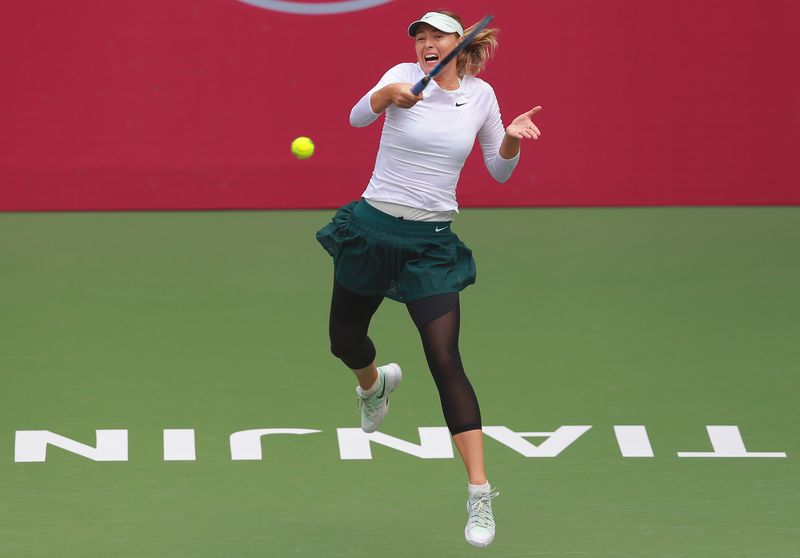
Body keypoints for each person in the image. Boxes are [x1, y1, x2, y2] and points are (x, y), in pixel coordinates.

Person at [316, 10, 541, 548]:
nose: (425, 43)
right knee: (343, 340)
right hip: (371, 230)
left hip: (431, 245)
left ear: (460, 44)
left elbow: (499, 168)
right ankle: (374, 385)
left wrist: (510, 138)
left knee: (445, 359)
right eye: (419, 36)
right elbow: (355, 119)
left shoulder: (481, 97)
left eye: (436, 35)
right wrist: (384, 97)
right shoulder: (397, 76)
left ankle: (479, 492)